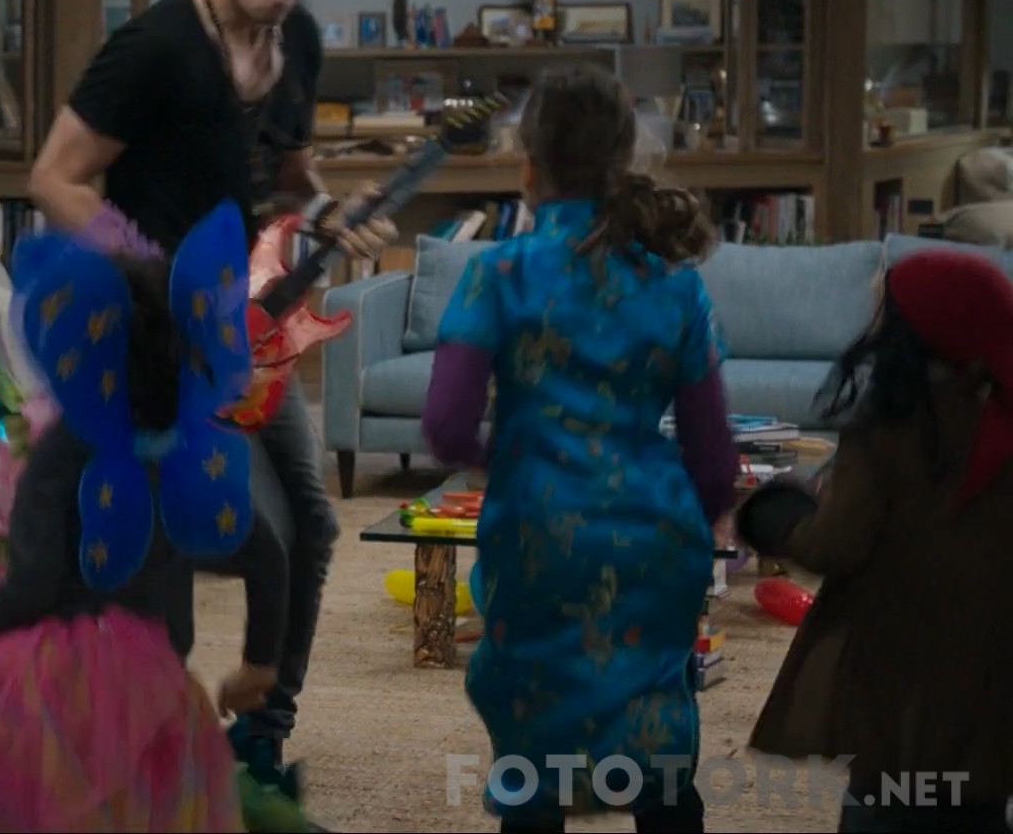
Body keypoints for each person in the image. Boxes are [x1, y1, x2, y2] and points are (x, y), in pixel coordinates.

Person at [27, 0, 396, 765]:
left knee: (309, 523)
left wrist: (328, 211)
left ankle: (263, 730)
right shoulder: (152, 49)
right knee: (170, 539)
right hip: (149, 339)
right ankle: (143, 734)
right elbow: (55, 178)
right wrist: (151, 275)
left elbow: (287, 170)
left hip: (249, 328)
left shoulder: (298, 41)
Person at [0, 201, 290, 832]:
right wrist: (259, 663)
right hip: (159, 688)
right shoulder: (190, 451)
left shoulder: (65, 449)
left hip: (56, 692)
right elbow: (266, 556)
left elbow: (33, 587)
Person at [420, 64, 738, 833]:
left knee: (534, 759)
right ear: (623, 159)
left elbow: (446, 427)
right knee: (660, 745)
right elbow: (713, 461)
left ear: (528, 165)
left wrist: (519, 461)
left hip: (537, 533)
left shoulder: (498, 273)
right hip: (654, 536)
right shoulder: (675, 282)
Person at [735, 246, 1013, 834]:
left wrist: (774, 515)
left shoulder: (889, 428)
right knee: (975, 801)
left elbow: (835, 545)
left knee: (886, 801)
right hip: (991, 682)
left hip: (897, 668)